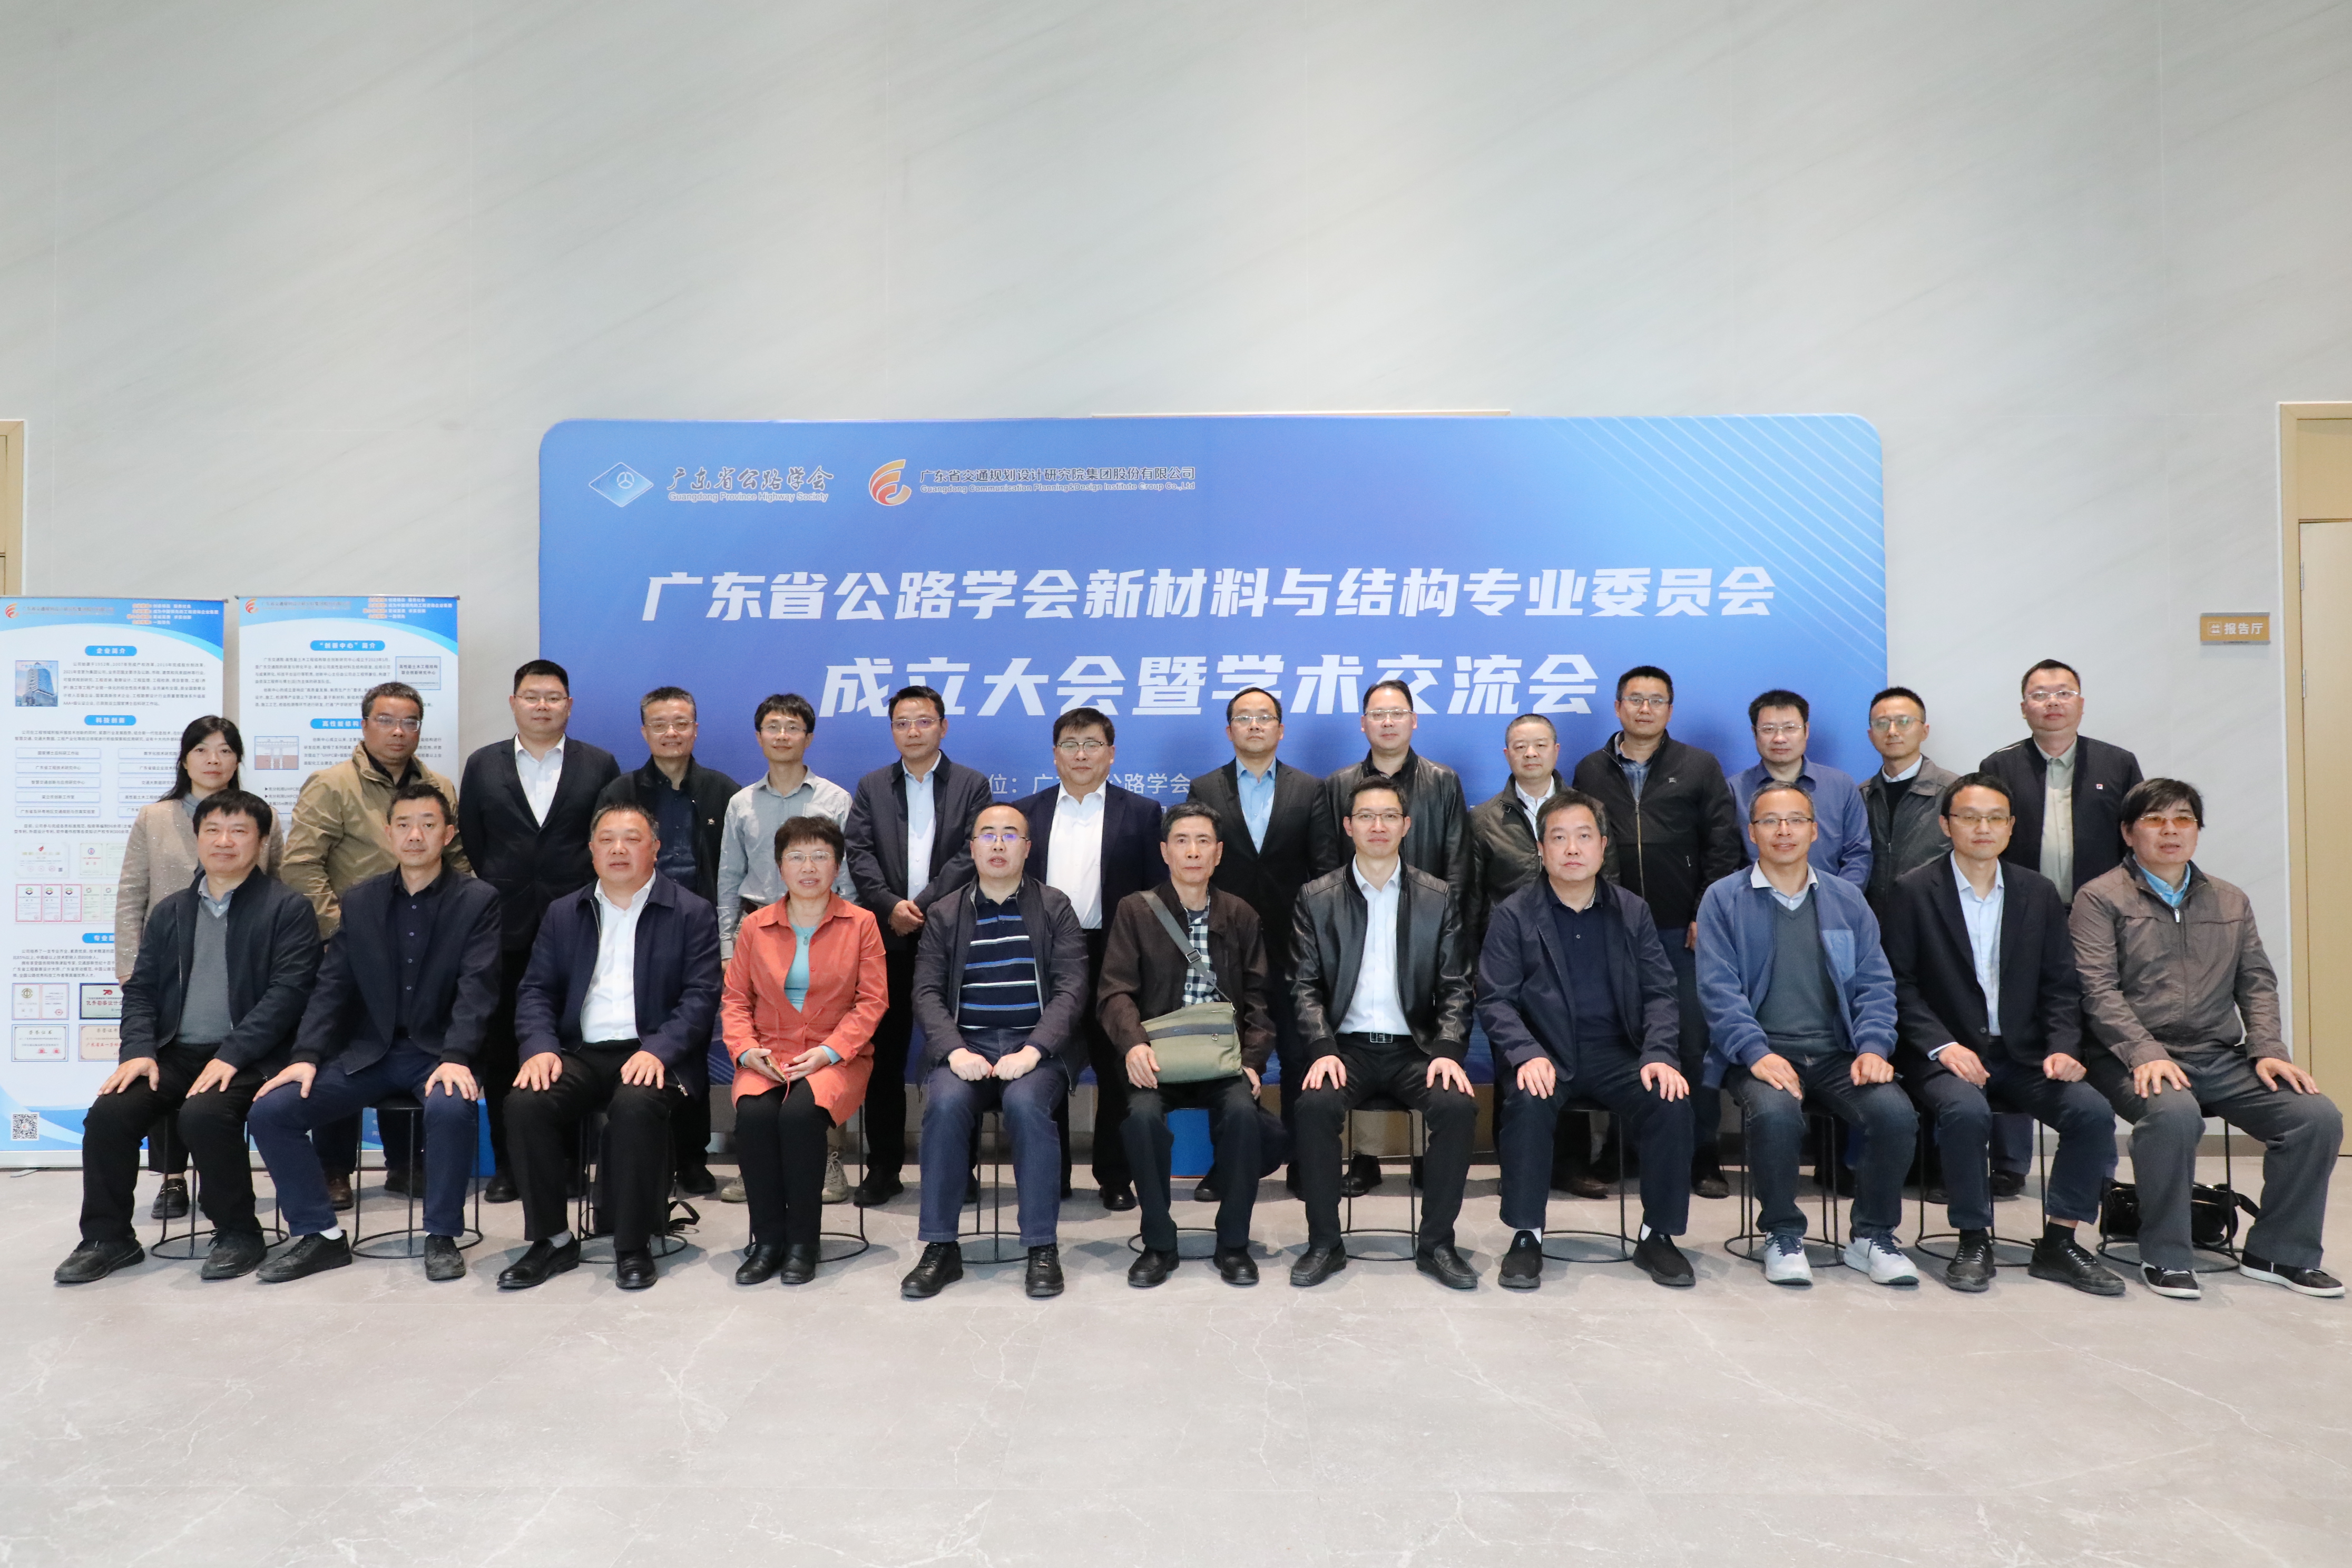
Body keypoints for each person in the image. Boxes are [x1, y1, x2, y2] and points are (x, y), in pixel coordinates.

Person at [2073, 778, 2344, 1300]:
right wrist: (2145, 1052)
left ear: (2198, 830)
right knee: (2174, 1115)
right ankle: (2166, 1254)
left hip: (2218, 1055)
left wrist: (2267, 1049)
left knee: (2315, 1118)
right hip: (2127, 1056)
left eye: (2183, 819)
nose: (2170, 831)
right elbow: (2097, 989)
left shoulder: (2230, 899)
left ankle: (2280, 1252)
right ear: (2128, 833)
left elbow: (2257, 983)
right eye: (2155, 820)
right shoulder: (2100, 897)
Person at [55, 791, 320, 1285]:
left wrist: (234, 1053)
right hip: (175, 1053)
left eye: (239, 831)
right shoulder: (171, 911)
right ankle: (108, 1239)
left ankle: (239, 1232)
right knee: (110, 1114)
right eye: (213, 830)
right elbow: (141, 991)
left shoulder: (288, 909)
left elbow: (288, 994)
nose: (224, 841)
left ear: (262, 842)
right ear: (197, 838)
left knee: (204, 1115)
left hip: (253, 1057)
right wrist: (138, 1051)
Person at [246, 781, 503, 1283]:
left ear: (448, 834)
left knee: (452, 1108)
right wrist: (306, 1055)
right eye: (404, 825)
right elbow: (332, 985)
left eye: (428, 824)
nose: (415, 835)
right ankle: (320, 1235)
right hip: (370, 1053)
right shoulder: (361, 900)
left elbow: (479, 987)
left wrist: (458, 1055)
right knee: (272, 1111)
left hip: (438, 1053)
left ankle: (442, 1235)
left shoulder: (478, 900)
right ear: (388, 833)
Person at [1878, 773, 2123, 1296]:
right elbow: (1898, 984)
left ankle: (2060, 1242)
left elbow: (2061, 984)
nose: (1983, 828)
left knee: (2091, 1112)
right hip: (1945, 1054)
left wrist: (2063, 1048)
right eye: (1969, 817)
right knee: (1966, 1111)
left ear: (2011, 827)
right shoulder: (1913, 890)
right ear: (1946, 825)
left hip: (2023, 1053)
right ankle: (1973, 1238)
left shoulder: (2038, 892)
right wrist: (1943, 1046)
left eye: (1995, 818)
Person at [1698, 782, 1918, 1289]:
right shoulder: (1724, 899)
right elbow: (1717, 989)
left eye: (1796, 820)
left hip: (1839, 1054)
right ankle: (1782, 1234)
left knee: (1894, 1114)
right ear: (1752, 832)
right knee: (1776, 1116)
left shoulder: (1846, 899)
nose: (1784, 831)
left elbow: (1875, 983)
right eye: (1770, 821)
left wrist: (1873, 1046)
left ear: (1815, 831)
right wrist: (1755, 1052)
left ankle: (1873, 1236)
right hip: (1761, 1055)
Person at [497, 801, 722, 1291]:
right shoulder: (565, 912)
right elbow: (535, 991)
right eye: (607, 840)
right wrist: (540, 1046)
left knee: (636, 1105)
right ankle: (552, 1240)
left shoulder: (691, 911)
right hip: (578, 1053)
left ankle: (633, 1242)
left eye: (632, 839)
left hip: (653, 1053)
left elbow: (701, 996)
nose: (619, 849)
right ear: (592, 851)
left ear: (656, 849)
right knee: (525, 1103)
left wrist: (660, 1050)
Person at [1477, 789, 1697, 1290]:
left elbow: (1661, 992)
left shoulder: (1632, 911)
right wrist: (1526, 1054)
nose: (1572, 849)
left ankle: (1658, 1236)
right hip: (1546, 1052)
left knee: (1670, 1100)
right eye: (1558, 838)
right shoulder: (1514, 913)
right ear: (1541, 850)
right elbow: (1494, 1000)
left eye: (1583, 837)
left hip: (1620, 1053)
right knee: (1527, 1103)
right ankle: (1527, 1236)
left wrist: (1659, 1054)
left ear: (1602, 846)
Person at [282, 680, 467, 1209]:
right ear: (365, 726)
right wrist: (344, 931)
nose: (398, 732)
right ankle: (334, 1169)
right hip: (353, 950)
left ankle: (406, 1163)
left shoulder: (438, 787)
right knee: (350, 1054)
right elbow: (301, 866)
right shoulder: (332, 785)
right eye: (386, 720)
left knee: (411, 1045)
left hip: (424, 945)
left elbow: (456, 861)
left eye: (410, 722)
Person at [1288, 778, 1478, 1291]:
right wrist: (1322, 1048)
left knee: (1457, 1107)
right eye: (1366, 817)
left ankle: (1437, 1244)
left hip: (1415, 1048)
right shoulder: (1317, 898)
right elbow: (1303, 985)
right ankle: (1324, 1243)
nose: (1378, 826)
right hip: (1345, 1049)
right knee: (1314, 1106)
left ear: (1406, 825)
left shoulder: (1437, 897)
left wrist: (1447, 1050)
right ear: (1348, 826)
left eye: (1389, 816)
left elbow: (1456, 984)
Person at [900, 805, 1089, 1301]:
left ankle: (1041, 1246)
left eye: (1010, 835)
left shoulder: (1055, 907)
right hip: (967, 1047)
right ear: (972, 848)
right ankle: (941, 1246)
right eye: (988, 834)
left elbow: (1071, 988)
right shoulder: (945, 912)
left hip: (1035, 1048)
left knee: (1026, 1106)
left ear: (1028, 848)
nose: (999, 844)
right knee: (944, 1106)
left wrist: (1035, 1049)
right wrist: (953, 1050)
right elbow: (926, 992)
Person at [1571, 666, 1745, 1199]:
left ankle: (1702, 1152)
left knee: (1692, 1043)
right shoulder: (1591, 769)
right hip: (1614, 928)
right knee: (1623, 1040)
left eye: (1656, 700)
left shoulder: (1699, 765)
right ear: (1617, 706)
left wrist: (1705, 911)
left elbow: (1722, 843)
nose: (1645, 708)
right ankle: (1621, 1148)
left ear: (1670, 709)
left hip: (1682, 929)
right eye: (1635, 699)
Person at [456, 660, 620, 1206]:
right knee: (505, 1048)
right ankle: (510, 1166)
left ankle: (572, 1165)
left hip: (578, 924)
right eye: (532, 696)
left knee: (573, 1045)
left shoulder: (598, 764)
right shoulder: (483, 764)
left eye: (553, 697)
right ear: (514, 703)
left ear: (569, 705)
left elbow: (607, 838)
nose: (542, 705)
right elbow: (475, 841)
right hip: (503, 926)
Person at [1097, 802, 1278, 1287]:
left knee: (1243, 1115)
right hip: (1157, 1060)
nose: (1193, 851)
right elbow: (1115, 991)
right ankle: (1159, 1242)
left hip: (1223, 1061)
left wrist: (1253, 1061)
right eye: (1182, 841)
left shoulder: (1240, 914)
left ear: (1218, 853)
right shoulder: (1136, 910)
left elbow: (1260, 999)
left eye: (1203, 842)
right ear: (1165, 851)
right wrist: (1134, 1045)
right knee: (1141, 1119)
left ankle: (1233, 1243)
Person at [114, 716, 286, 1220]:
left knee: (212, 1086)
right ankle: (171, 1178)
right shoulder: (155, 816)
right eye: (203, 750)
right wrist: (131, 968)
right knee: (161, 1061)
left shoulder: (261, 816)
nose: (214, 760)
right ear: (185, 759)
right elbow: (132, 893)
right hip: (166, 965)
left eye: (226, 750)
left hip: (235, 966)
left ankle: (221, 1188)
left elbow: (275, 883)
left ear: (238, 760)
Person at [1310, 679, 1469, 1197]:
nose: (1387, 722)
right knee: (1360, 1030)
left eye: (1397, 713)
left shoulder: (1443, 781)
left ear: (1413, 720)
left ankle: (1426, 1157)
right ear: (1363, 723)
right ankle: (1366, 1158)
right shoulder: (1339, 784)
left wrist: (1447, 922)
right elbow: (1325, 864)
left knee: (1419, 1039)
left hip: (1427, 938)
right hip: (1356, 932)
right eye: (1377, 714)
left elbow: (1458, 862)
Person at [841, 685, 993, 1206]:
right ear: (892, 731)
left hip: (951, 936)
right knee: (884, 1058)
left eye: (924, 721)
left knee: (957, 1051)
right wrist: (890, 906)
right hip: (886, 939)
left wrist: (922, 905)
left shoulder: (972, 784)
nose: (913, 731)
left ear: (943, 727)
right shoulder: (872, 786)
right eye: (902, 723)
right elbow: (858, 852)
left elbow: (970, 853)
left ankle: (961, 1169)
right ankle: (884, 1167)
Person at [719, 815, 887, 1286]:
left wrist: (831, 1052)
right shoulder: (755, 926)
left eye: (820, 856)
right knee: (755, 1117)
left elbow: (872, 1002)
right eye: (796, 857)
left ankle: (802, 1243)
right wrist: (746, 1051)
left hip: (837, 1057)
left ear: (837, 865)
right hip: (768, 1055)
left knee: (798, 1118)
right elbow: (735, 1000)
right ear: (780, 867)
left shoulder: (861, 924)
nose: (808, 867)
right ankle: (767, 1240)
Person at [1009, 708, 1163, 1210]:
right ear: (1055, 755)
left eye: (1092, 744)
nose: (1081, 754)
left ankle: (1114, 1176)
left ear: (1111, 754)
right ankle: (1049, 1174)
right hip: (1043, 952)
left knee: (1118, 1065)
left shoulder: (1141, 813)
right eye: (1070, 745)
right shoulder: (1025, 814)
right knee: (1044, 1058)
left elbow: (1153, 895)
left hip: (1114, 952)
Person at [713, 692, 856, 1207]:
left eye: (792, 727)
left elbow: (849, 877)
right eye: (772, 726)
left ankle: (829, 1157)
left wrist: (850, 936)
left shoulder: (835, 800)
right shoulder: (741, 804)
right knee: (759, 1038)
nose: (782, 735)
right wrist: (728, 945)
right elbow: (729, 878)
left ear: (808, 737)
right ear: (759, 737)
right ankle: (756, 1162)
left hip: (824, 928)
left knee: (823, 1041)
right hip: (759, 931)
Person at [595, 687, 738, 1199]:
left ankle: (693, 1157)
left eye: (681, 723)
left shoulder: (723, 791)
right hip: (636, 931)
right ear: (644, 732)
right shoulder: (621, 792)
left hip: (699, 933)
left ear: (695, 729)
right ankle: (654, 1154)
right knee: (644, 1038)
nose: (671, 733)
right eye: (660, 724)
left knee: (693, 1043)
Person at [1467, 712, 1612, 1200]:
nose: (1531, 753)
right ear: (1506, 754)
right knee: (1514, 1062)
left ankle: (1569, 1166)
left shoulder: (1589, 809)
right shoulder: (1484, 819)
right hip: (1510, 957)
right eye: (1520, 746)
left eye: (1540, 744)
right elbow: (1471, 897)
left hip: (1579, 950)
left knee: (1570, 1057)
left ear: (1556, 750)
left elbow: (1609, 881)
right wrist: (1475, 963)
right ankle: (1517, 1167)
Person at [1185, 685, 1321, 1194]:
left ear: (1281, 729)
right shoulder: (1204, 787)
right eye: (1244, 718)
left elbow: (1324, 868)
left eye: (1265, 717)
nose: (1255, 725)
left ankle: (1306, 1163)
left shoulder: (1310, 789)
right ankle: (1231, 1163)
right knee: (1228, 1054)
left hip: (1297, 943)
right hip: (1226, 943)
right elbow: (1198, 867)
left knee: (1301, 1053)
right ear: (1229, 731)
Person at [1979, 660, 2144, 905]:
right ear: (2024, 708)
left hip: (2104, 906)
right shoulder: (1998, 768)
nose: (2053, 702)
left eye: (2065, 694)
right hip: (2021, 903)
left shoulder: (2119, 764)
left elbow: (2139, 836)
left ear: (2081, 705)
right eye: (2040, 695)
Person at [1730, 689, 1871, 889]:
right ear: (1754, 733)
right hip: (1755, 902)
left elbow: (1858, 854)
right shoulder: (1733, 791)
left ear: (1807, 730)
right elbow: (1726, 861)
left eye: (1790, 728)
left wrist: (1839, 900)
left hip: (1832, 901)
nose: (1780, 738)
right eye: (1769, 729)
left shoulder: (1841, 786)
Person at [1857, 687, 1958, 915]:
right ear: (1871, 735)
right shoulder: (1861, 796)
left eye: (1904, 722)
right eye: (1882, 724)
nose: (1892, 732)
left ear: (1924, 731)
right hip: (1874, 921)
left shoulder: (1954, 792)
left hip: (1934, 919)